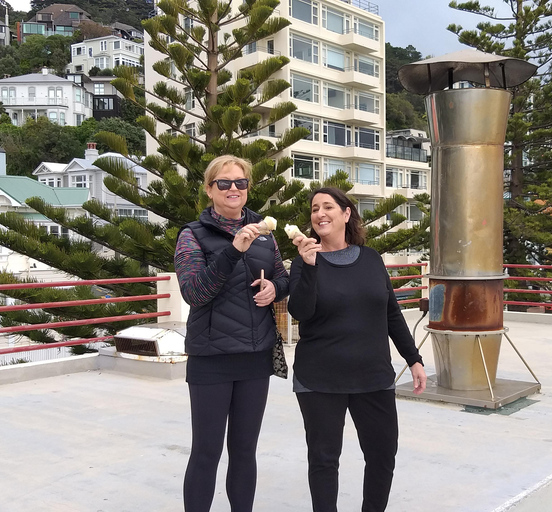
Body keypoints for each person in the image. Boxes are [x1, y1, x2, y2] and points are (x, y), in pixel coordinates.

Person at [288, 186, 427, 512]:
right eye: (314, 209)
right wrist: (309, 266)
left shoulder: (370, 258)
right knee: (323, 460)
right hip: (319, 380)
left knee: (382, 456)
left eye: (328, 207)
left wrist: (414, 358)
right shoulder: (304, 262)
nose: (319, 213)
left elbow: (390, 312)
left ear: (346, 214)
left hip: (373, 377)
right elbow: (300, 312)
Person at [174, 155, 289, 512]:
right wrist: (232, 250)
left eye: (240, 182)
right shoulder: (192, 235)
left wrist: (276, 290)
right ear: (210, 190)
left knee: (244, 452)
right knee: (206, 453)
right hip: (211, 360)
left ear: (248, 188)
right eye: (224, 183)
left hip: (255, 357)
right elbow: (194, 293)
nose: (233, 189)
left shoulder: (265, 235)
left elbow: (282, 276)